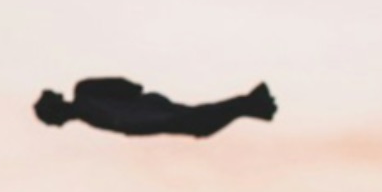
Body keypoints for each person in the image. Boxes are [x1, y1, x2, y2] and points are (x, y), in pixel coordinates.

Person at [33, 77, 276, 138]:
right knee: (202, 124)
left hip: (153, 114)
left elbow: (130, 88)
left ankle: (252, 103)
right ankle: (254, 105)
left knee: (201, 123)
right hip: (153, 117)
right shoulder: (88, 111)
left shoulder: (85, 95)